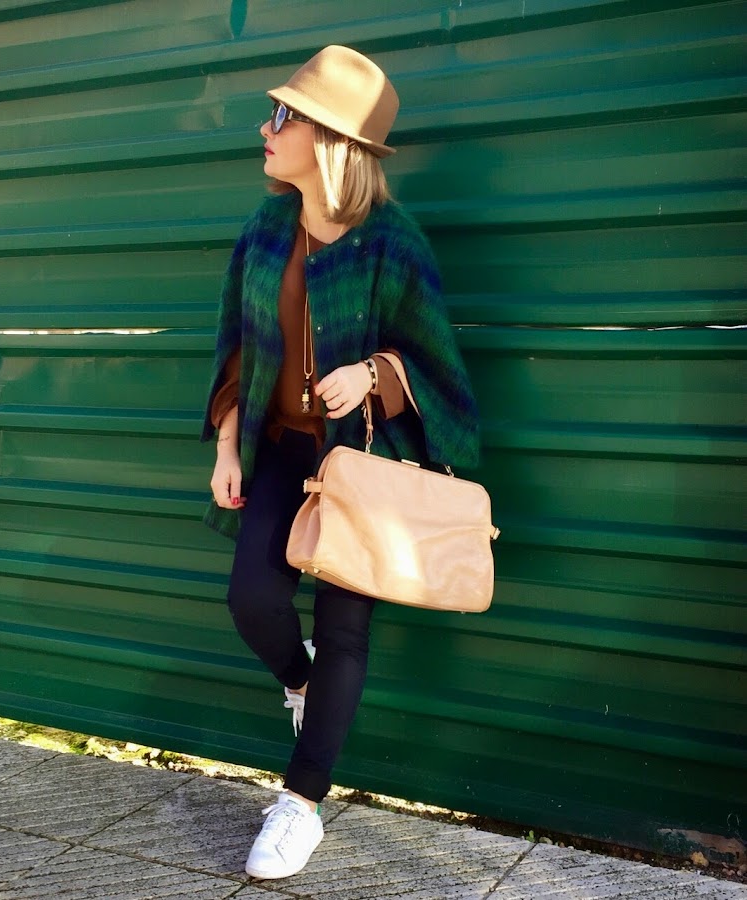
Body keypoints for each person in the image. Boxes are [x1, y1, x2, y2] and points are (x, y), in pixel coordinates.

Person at [201, 45, 480, 880]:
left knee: (345, 628)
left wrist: (374, 374)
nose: (266, 127)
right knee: (253, 599)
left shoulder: (394, 240)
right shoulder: (265, 228)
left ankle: (301, 804)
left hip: (360, 458)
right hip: (281, 449)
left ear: (329, 140)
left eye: (282, 116)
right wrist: (227, 446)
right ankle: (301, 681)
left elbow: (437, 366)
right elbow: (236, 348)